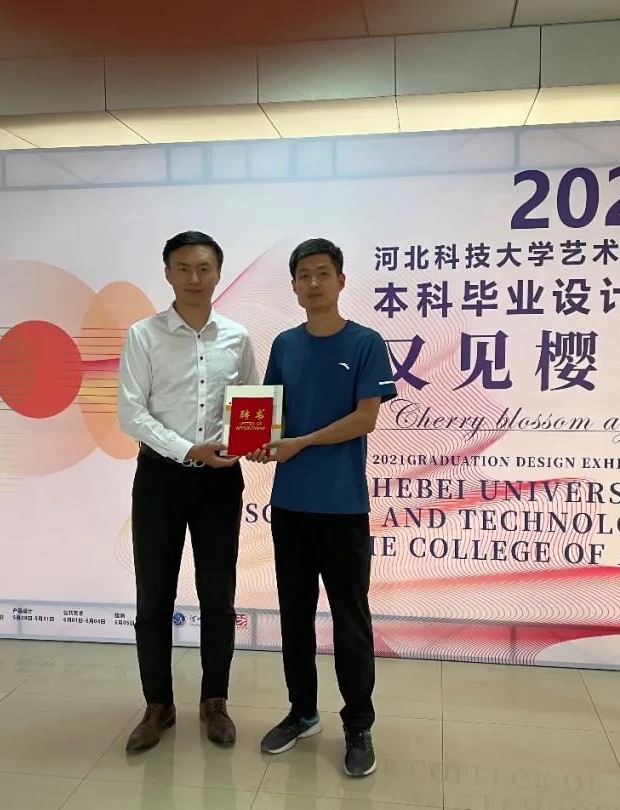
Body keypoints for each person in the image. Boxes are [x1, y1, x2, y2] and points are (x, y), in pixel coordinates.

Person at [250, 237, 397, 778]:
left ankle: (358, 724)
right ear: (293, 286)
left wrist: (301, 443)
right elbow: (271, 416)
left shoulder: (365, 342)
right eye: (303, 275)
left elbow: (365, 418)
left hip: (342, 507)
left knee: (350, 619)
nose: (313, 283)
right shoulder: (285, 344)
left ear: (340, 280)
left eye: (322, 273)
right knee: (294, 616)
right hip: (290, 505)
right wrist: (257, 442)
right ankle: (302, 713)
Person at [117, 230, 258, 752]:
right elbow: (131, 413)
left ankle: (214, 701)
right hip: (160, 478)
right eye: (183, 268)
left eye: (203, 268)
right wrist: (187, 449)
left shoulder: (236, 337)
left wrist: (251, 440)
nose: (194, 278)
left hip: (220, 481)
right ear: (168, 274)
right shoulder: (143, 335)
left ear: (218, 272)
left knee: (218, 596)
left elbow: (251, 403)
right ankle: (158, 705)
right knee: (153, 595)